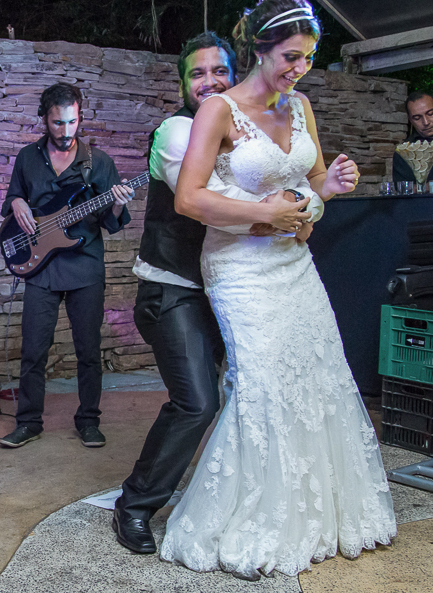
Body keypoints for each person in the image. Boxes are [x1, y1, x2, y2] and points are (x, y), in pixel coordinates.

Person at [161, 0, 397, 580]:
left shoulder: (302, 107)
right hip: (241, 269)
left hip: (295, 263)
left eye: (310, 57)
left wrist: (333, 184)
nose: (300, 67)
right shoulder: (218, 111)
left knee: (318, 372)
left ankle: (316, 514)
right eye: (291, 55)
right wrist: (262, 213)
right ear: (259, 49)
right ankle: (258, 514)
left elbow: (310, 182)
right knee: (263, 381)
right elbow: (189, 198)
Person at [112, 32, 326, 554]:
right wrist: (280, 205)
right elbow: (215, 199)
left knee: (255, 393)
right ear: (183, 84)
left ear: (237, 73)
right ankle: (135, 505)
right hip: (174, 289)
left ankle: (252, 501)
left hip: (232, 286)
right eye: (196, 73)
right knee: (198, 402)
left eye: (218, 71)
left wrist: (305, 198)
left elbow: (290, 181)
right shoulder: (177, 131)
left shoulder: (247, 123)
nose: (209, 81)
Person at [0, 83, 135, 449]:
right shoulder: (28, 157)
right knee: (33, 350)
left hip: (84, 266)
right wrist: (16, 203)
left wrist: (119, 203)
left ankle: (89, 421)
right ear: (45, 119)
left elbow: (111, 221)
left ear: (80, 118)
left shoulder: (99, 163)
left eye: (72, 122)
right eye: (58, 123)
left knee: (88, 350)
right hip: (40, 267)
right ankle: (29, 422)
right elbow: (14, 194)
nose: (65, 131)